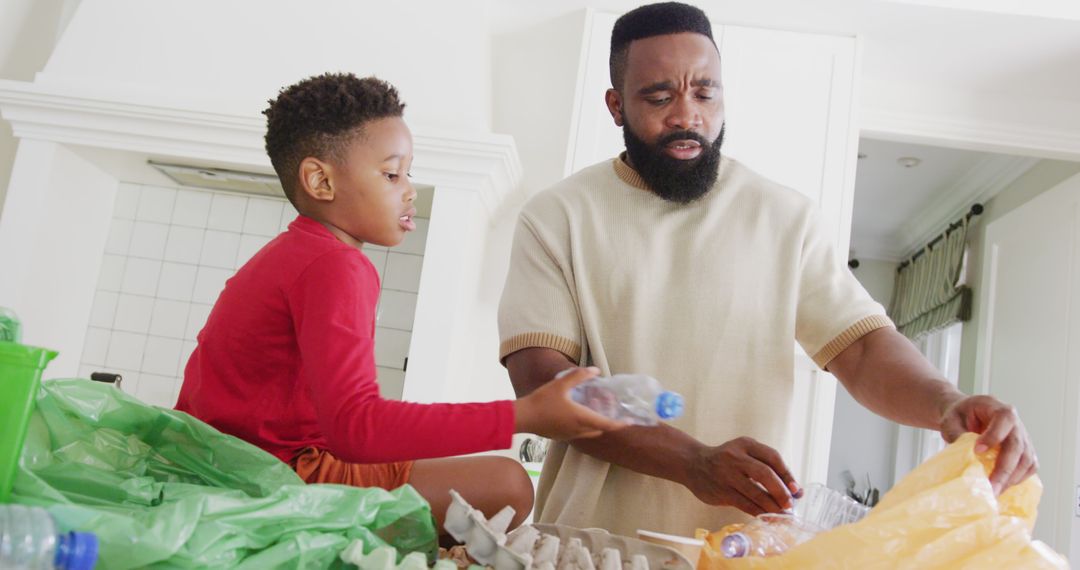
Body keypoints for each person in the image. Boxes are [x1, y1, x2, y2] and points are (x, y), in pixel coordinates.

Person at [497, 2, 1036, 537]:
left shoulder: (784, 217)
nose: (687, 116)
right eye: (659, 97)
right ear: (616, 106)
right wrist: (693, 463)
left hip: (743, 547)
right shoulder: (558, 217)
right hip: (587, 546)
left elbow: (864, 348)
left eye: (705, 93)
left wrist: (949, 402)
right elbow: (544, 385)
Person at [175, 72, 624, 533]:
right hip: (277, 478)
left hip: (225, 467)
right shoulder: (335, 265)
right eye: (391, 173)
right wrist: (528, 414)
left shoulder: (290, 255)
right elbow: (356, 427)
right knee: (508, 484)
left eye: (407, 172)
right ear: (320, 180)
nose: (409, 188)